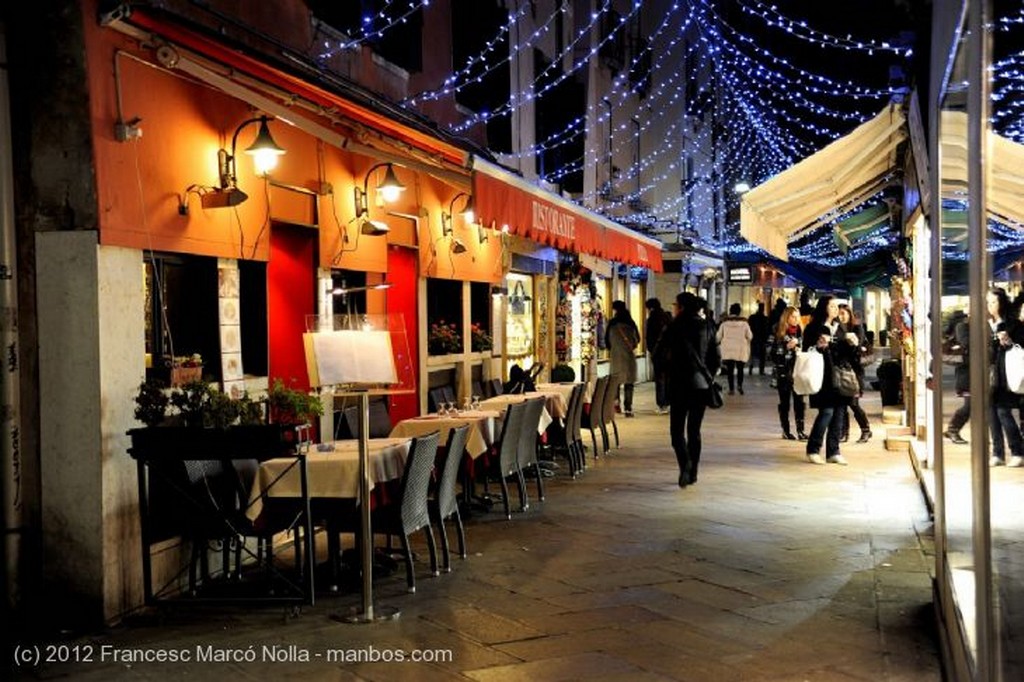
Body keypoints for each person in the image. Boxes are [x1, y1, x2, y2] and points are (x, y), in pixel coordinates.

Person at [656, 291, 721, 487]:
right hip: (700, 386)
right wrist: (707, 375)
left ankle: (684, 464)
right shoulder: (707, 326)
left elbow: (658, 354)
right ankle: (693, 472)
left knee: (676, 430)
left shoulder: (673, 327)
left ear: (681, 307)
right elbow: (716, 358)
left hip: (678, 385)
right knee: (694, 430)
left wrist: (665, 371)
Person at [803, 295, 857, 465]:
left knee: (839, 412)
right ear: (824, 308)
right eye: (832, 306)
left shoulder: (840, 327)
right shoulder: (814, 328)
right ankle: (813, 449)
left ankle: (834, 451)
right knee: (827, 411)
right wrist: (820, 346)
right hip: (823, 375)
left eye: (836, 306)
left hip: (840, 374)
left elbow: (847, 353)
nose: (836, 309)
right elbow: (807, 349)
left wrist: (852, 343)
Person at [986, 287, 1024, 467]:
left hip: (1008, 375)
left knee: (1003, 411)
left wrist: (1008, 341)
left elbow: (1020, 345)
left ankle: (1017, 451)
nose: (990, 306)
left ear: (1002, 303)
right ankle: (997, 453)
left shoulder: (1013, 323)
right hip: (991, 375)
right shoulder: (987, 324)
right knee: (992, 413)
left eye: (993, 302)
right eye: (988, 302)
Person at [836, 304, 873, 444]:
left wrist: (853, 343)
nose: (841, 316)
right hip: (841, 370)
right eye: (839, 314)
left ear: (849, 314)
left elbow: (858, 350)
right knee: (842, 403)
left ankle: (866, 430)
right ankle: (844, 432)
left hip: (855, 372)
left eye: (844, 313)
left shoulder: (857, 328)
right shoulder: (837, 330)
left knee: (853, 403)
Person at [770, 305, 807, 440]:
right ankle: (786, 430)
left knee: (800, 402)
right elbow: (771, 353)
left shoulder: (802, 333)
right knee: (784, 403)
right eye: (793, 316)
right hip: (783, 372)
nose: (796, 319)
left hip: (799, 372)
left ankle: (801, 430)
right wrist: (786, 348)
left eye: (797, 316)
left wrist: (800, 346)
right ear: (786, 317)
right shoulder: (777, 332)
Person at [605, 300, 640, 417]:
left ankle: (616, 403)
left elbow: (606, 341)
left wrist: (614, 348)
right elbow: (637, 339)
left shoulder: (612, 323)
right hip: (629, 356)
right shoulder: (631, 323)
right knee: (629, 383)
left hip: (616, 356)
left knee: (615, 381)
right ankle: (628, 408)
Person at [943, 308, 970, 445]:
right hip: (967, 374)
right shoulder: (962, 327)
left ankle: (953, 429)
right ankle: (953, 429)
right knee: (970, 405)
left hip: (972, 372)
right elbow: (967, 345)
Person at [717, 303, 752, 395]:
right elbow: (750, 336)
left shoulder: (724, 323)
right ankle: (739, 385)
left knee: (730, 370)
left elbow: (718, 337)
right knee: (740, 369)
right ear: (739, 312)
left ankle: (731, 388)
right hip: (740, 349)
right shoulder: (744, 323)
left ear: (730, 311)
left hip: (728, 349)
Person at [645, 298, 673, 414]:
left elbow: (649, 337)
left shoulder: (652, 319)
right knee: (668, 379)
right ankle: (668, 401)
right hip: (670, 354)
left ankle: (661, 404)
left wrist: (652, 350)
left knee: (660, 379)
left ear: (650, 308)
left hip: (658, 354)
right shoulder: (667, 317)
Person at [747, 302, 769, 376]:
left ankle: (751, 368)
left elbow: (749, 326)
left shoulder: (752, 317)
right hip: (761, 339)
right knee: (762, 355)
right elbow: (766, 329)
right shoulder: (764, 318)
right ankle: (761, 370)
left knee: (753, 354)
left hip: (754, 338)